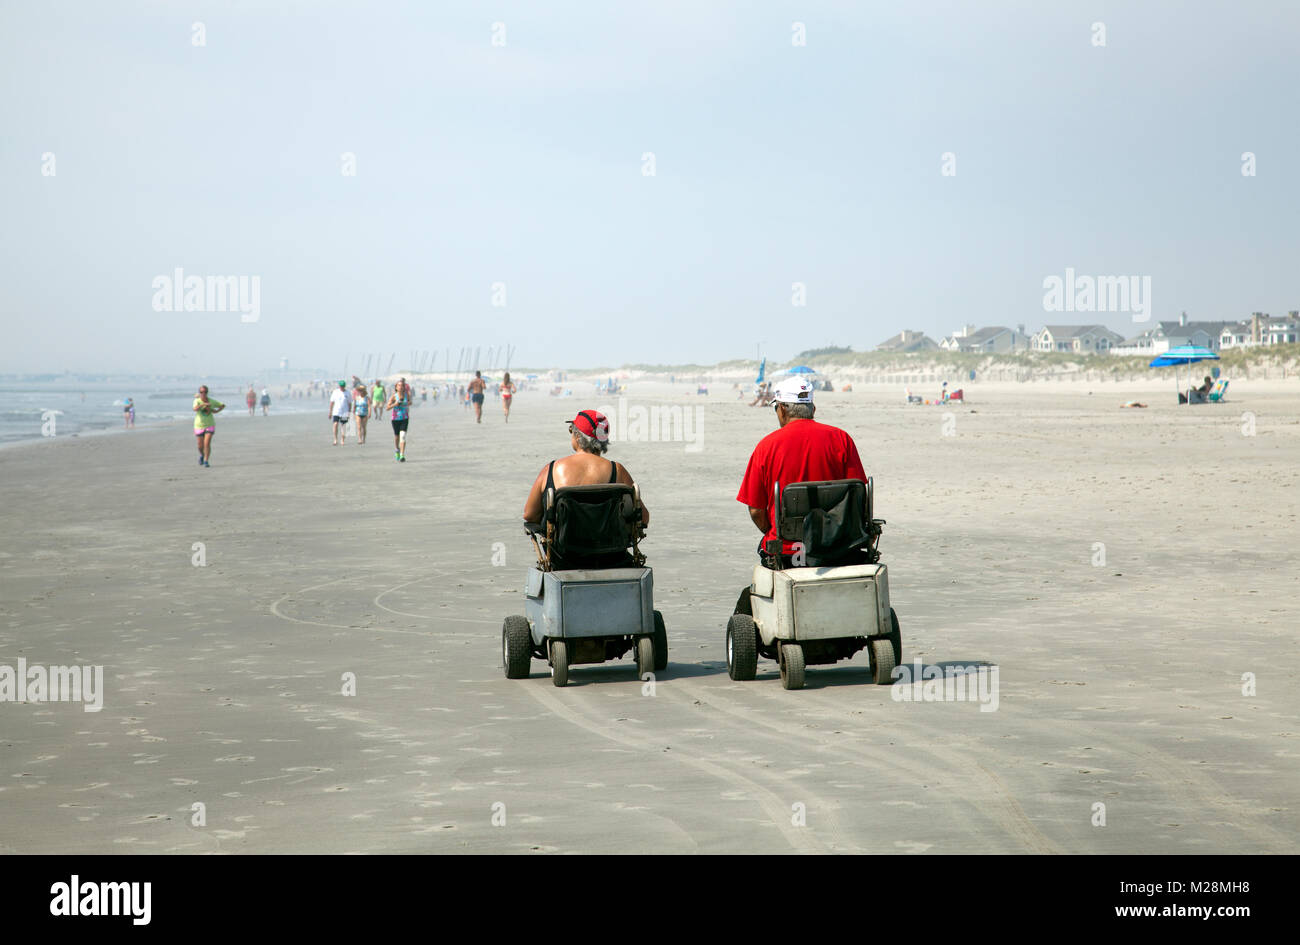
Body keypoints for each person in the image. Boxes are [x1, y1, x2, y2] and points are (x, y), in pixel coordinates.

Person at [736, 375, 865, 569]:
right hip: (838, 546)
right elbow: (859, 494)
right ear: (812, 409)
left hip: (788, 550)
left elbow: (755, 510)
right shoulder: (841, 439)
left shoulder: (766, 447)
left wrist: (775, 532)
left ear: (782, 409)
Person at [523, 410, 649, 567]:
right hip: (612, 557)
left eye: (571, 431)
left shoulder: (553, 469)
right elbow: (643, 518)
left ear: (577, 436)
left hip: (564, 559)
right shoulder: (617, 470)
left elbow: (529, 515)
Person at [193, 385, 225, 467]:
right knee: (200, 446)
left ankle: (206, 460)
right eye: (201, 392)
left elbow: (222, 405)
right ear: (199, 393)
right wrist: (203, 405)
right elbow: (195, 409)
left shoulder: (211, 401)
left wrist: (216, 411)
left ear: (207, 392)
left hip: (210, 424)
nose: (203, 393)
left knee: (206, 444)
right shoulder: (197, 400)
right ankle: (202, 455)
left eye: (205, 392)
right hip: (199, 425)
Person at [386, 377, 412, 461]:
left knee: (403, 436)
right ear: (396, 387)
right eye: (399, 385)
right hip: (395, 419)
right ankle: (397, 449)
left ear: (404, 387)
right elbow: (387, 408)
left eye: (402, 385)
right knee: (397, 436)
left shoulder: (406, 395)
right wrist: (395, 404)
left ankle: (402, 455)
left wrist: (407, 403)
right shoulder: (393, 397)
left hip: (405, 418)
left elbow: (410, 402)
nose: (401, 387)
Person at [328, 380, 352, 445]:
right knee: (335, 424)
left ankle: (342, 439)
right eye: (341, 386)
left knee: (343, 426)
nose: (342, 387)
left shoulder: (348, 393)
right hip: (336, 412)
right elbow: (332, 402)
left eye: (343, 386)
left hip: (344, 412)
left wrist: (349, 412)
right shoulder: (335, 392)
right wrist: (330, 412)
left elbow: (350, 403)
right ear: (339, 386)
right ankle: (335, 439)